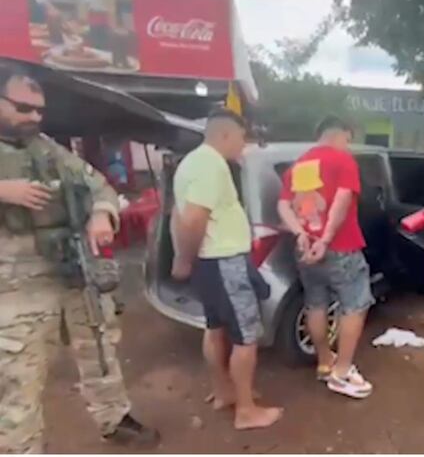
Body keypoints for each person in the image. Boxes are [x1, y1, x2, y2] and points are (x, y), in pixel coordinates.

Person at [0, 64, 159, 453]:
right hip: (14, 287)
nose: (34, 117)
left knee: (99, 346)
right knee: (18, 378)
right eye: (23, 108)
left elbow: (97, 184)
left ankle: (113, 417)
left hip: (70, 270)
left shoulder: (46, 148)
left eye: (39, 110)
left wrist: (102, 214)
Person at [171, 109, 283, 430]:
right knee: (246, 338)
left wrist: (185, 257)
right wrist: (185, 258)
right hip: (224, 261)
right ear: (224, 135)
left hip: (211, 264)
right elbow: (193, 219)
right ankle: (246, 411)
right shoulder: (211, 165)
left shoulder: (190, 163)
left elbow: (177, 217)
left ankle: (224, 391)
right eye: (240, 138)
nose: (243, 145)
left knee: (215, 328)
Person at [277, 116, 375, 399]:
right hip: (339, 247)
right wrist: (326, 239)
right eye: (349, 138)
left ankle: (324, 361)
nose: (349, 144)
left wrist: (300, 234)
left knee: (315, 303)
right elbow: (343, 200)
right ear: (342, 134)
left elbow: (284, 205)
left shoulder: (300, 165)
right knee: (354, 305)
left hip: (305, 249)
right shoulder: (343, 161)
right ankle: (342, 373)